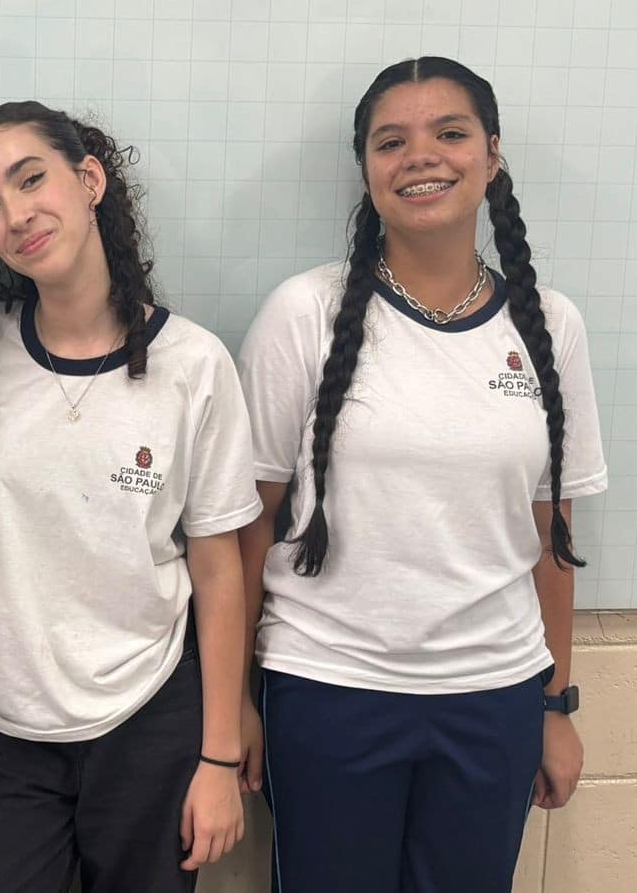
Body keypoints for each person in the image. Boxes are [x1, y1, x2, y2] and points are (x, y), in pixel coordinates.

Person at [236, 57, 607, 892]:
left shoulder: (551, 326)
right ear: (366, 169)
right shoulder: (304, 312)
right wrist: (234, 706)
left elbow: (553, 537)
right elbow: (247, 524)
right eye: (389, 142)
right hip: (327, 688)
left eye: (449, 132)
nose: (420, 157)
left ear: (491, 154)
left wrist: (554, 703)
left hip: (494, 696)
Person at [0, 101, 259, 891]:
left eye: (30, 180)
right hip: (8, 731)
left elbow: (218, 569)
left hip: (151, 719)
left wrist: (218, 757)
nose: (15, 216)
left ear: (89, 180)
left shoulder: (194, 364)